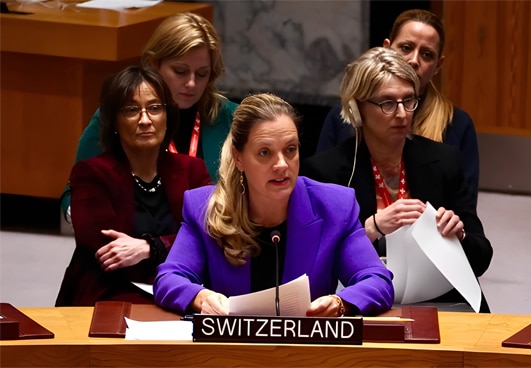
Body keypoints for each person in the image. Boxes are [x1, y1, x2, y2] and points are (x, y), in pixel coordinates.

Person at [153, 93, 393, 317]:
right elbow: (169, 279)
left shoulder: (334, 207)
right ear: (239, 158)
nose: (282, 164)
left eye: (290, 150)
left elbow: (377, 280)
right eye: (265, 153)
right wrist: (201, 296)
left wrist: (340, 303)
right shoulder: (204, 208)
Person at [302, 47, 492, 312]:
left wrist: (459, 236)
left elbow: (482, 256)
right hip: (362, 302)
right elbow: (312, 267)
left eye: (409, 101)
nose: (402, 114)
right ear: (357, 109)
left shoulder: (444, 160)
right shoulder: (324, 172)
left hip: (442, 302)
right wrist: (371, 227)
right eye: (387, 103)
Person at [55, 66, 212, 306]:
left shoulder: (193, 170)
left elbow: (209, 235)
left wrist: (149, 247)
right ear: (114, 121)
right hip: (109, 293)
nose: (145, 120)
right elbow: (108, 252)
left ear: (167, 115)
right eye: (131, 110)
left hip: (179, 289)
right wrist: (175, 246)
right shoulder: (91, 174)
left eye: (155, 108)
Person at [60, 12, 237, 221]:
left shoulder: (232, 118)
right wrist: (91, 217)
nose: (191, 83)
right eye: (180, 71)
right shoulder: (121, 113)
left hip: (209, 239)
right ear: (154, 64)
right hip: (132, 241)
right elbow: (73, 193)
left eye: (201, 74)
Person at [316, 9, 480, 205]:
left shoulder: (457, 124)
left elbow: (465, 209)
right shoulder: (345, 116)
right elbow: (320, 196)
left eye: (427, 55)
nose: (414, 60)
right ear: (386, 48)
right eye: (406, 47)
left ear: (438, 65)